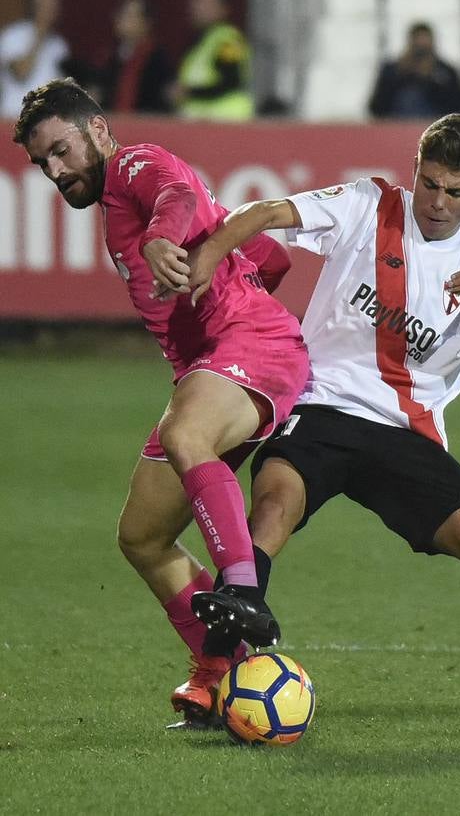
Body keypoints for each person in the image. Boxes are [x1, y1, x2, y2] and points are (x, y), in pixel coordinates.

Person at [181, 113, 460, 739]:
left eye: (456, 191)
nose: (437, 202)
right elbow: (267, 213)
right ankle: (213, 669)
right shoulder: (368, 203)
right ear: (417, 171)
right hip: (320, 408)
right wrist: (210, 255)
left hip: (405, 434)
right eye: (430, 183)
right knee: (270, 512)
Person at [13, 78, 309, 728]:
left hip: (251, 349)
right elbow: (270, 256)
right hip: (219, 363)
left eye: (61, 150)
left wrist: (160, 241)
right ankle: (217, 674)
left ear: (95, 130)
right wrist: (228, 268)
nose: (56, 171)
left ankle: (241, 590)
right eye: (43, 163)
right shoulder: (112, 204)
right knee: (143, 538)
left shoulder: (132, 167)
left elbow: (175, 192)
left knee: (185, 437)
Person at [174, 0, 254, 121]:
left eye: (204, 2)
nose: (196, 7)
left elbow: (231, 81)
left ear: (223, 8)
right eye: (195, 1)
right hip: (201, 122)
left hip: (226, 122)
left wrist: (190, 92)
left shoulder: (228, 40)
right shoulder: (200, 42)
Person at [369, 22, 460, 119]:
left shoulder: (446, 72)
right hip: (398, 126)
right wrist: (400, 76)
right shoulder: (392, 70)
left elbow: (457, 107)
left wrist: (431, 80)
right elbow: (376, 108)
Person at [0, 0, 70, 118]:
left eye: (54, 4)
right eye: (45, 4)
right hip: (15, 117)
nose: (50, 9)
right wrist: (39, 36)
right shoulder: (13, 35)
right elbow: (21, 72)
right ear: (33, 6)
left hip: (46, 121)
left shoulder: (59, 44)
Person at [96, 0, 173, 114]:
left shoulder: (157, 59)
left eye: (130, 15)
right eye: (121, 13)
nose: (122, 19)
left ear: (146, 23)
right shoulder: (110, 57)